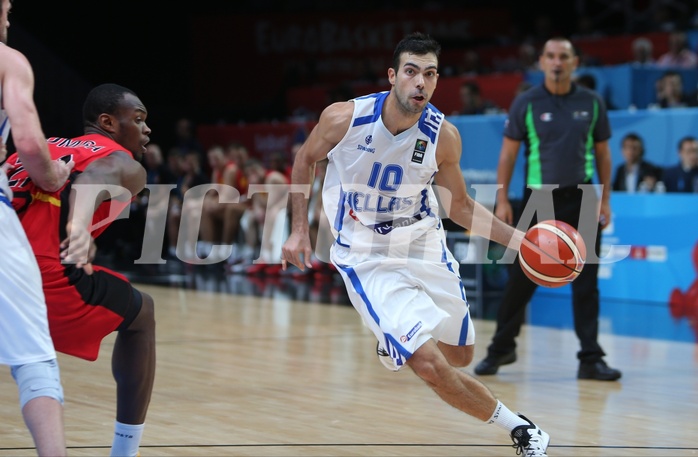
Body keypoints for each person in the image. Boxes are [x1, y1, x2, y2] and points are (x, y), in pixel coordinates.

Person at [281, 32, 550, 456]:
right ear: (392, 76)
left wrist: (521, 242)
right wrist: (298, 229)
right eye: (411, 72)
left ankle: (394, 339)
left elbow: (459, 207)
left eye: (430, 74)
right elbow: (303, 159)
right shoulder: (344, 119)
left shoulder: (443, 136)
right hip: (366, 256)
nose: (420, 83)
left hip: (424, 242)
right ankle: (521, 429)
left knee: (460, 356)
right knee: (430, 365)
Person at [5, 83, 156, 457]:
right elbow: (92, 180)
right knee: (143, 314)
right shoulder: (125, 162)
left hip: (8, 257)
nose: (147, 129)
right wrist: (77, 230)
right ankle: (125, 452)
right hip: (40, 272)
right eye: (138, 119)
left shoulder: (44, 146)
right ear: (107, 123)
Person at [474, 37, 622, 382]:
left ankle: (590, 358)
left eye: (564, 57)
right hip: (539, 200)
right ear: (541, 61)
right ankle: (501, 349)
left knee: (587, 283)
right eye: (551, 57)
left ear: (575, 62)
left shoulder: (593, 102)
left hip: (584, 198)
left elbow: (603, 154)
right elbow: (508, 154)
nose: (557, 62)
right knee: (520, 280)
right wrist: (502, 200)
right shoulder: (526, 103)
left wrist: (606, 199)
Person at [0, 0, 73, 454]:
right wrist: (53, 176)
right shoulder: (8, 61)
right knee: (33, 357)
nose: (8, 18)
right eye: (5, 8)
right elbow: (28, 141)